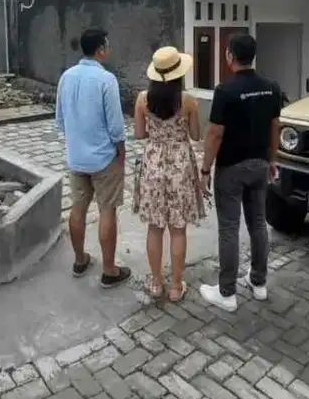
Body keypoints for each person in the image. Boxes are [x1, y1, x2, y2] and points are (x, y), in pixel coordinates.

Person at [199, 32, 283, 312]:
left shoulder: (225, 90)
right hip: (260, 165)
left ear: (230, 56)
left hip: (231, 169)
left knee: (229, 228)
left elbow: (214, 134)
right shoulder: (271, 88)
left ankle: (227, 293)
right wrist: (272, 159)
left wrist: (204, 168)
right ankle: (258, 283)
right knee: (258, 224)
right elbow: (275, 127)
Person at [55, 28, 132, 288]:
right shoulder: (106, 79)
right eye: (107, 45)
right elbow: (116, 125)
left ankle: (79, 260)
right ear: (100, 49)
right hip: (103, 158)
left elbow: (60, 119)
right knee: (107, 209)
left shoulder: (66, 77)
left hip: (76, 158)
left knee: (78, 208)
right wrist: (121, 152)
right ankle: (109, 270)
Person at [132, 46, 205, 302]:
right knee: (178, 229)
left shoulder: (142, 99)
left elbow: (139, 134)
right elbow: (196, 135)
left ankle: (155, 283)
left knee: (154, 227)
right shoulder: (187, 101)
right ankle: (175, 286)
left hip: (153, 164)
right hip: (180, 166)